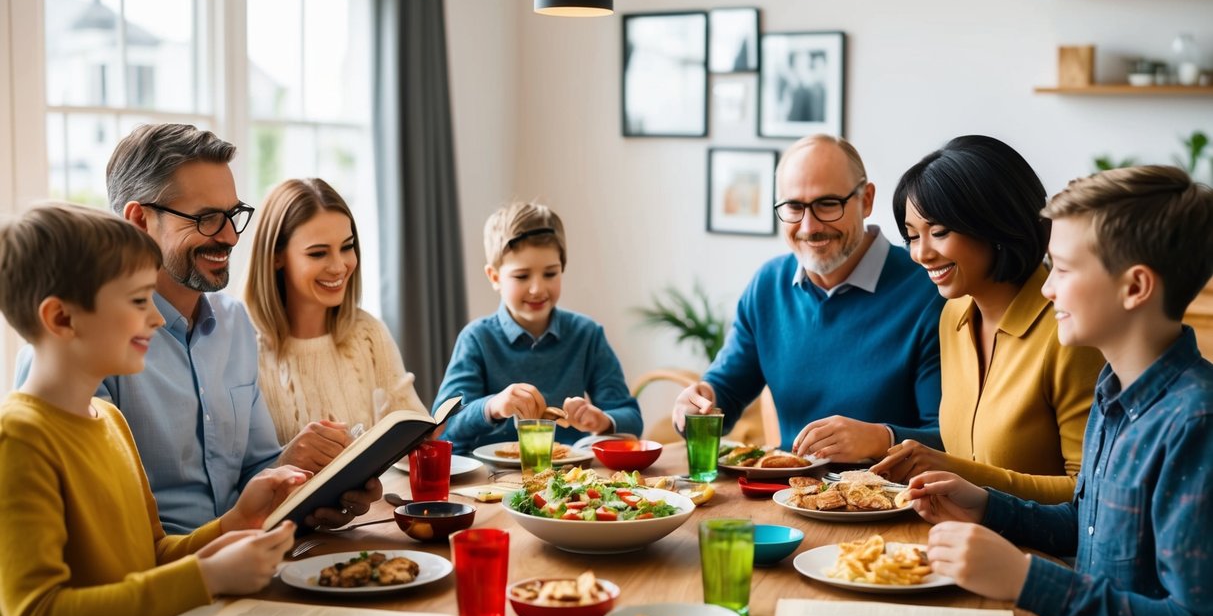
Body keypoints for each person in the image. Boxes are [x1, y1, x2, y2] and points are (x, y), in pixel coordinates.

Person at [906, 166, 1213, 616]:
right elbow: (1088, 524)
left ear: (1135, 287)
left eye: (1064, 271)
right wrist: (987, 506)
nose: (1046, 289)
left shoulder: (1195, 423)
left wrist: (1026, 579)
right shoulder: (1113, 391)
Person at [0, 203, 301, 616]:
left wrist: (238, 520)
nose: (158, 318)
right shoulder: (19, 440)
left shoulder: (108, 419)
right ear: (61, 319)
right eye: (139, 301)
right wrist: (208, 578)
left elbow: (155, 554)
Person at [15, 124, 371, 533]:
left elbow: (254, 472)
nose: (232, 236)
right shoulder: (82, 349)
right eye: (207, 219)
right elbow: (94, 536)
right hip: (166, 583)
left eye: (234, 215)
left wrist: (308, 479)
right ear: (139, 220)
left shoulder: (235, 325)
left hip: (248, 557)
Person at [673, 135, 945, 460]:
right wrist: (697, 404)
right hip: (786, 498)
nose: (809, 226)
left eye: (828, 204)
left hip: (891, 505)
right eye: (793, 207)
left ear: (867, 199)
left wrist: (880, 438)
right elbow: (725, 392)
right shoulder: (768, 286)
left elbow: (950, 440)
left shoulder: (929, 291)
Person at [871, 136, 1105, 503]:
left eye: (939, 232)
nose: (921, 254)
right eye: (912, 236)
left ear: (994, 223)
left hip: (1037, 556)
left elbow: (1088, 495)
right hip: (952, 539)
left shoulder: (1069, 331)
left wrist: (957, 473)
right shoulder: (953, 316)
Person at [433, 202, 642, 454]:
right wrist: (494, 406)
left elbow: (631, 417)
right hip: (486, 481)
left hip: (567, 481)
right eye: (522, 276)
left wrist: (601, 421)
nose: (537, 289)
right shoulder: (477, 339)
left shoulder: (587, 335)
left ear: (562, 269)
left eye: (550, 274)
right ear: (495, 277)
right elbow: (442, 426)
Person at [244, 177, 428, 444]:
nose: (339, 266)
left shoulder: (368, 333)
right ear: (276, 256)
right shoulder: (243, 347)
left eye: (346, 247)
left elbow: (411, 427)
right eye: (318, 253)